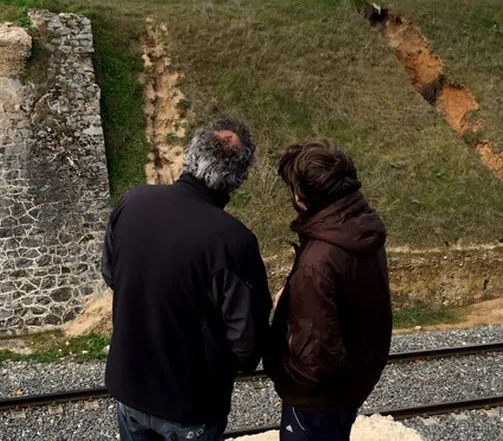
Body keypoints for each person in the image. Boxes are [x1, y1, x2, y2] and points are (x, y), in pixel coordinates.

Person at [102, 118, 273, 441]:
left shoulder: (133, 202)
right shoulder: (232, 241)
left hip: (129, 385)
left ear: (191, 155)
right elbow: (246, 344)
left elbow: (112, 274)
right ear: (238, 178)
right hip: (190, 403)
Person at [265, 139, 392, 441]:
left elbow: (316, 360)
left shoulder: (318, 261)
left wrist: (291, 315)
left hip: (316, 402)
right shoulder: (361, 226)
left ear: (302, 197)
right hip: (355, 381)